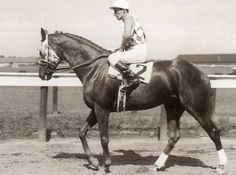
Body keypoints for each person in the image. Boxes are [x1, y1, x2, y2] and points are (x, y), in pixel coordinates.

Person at [108, 0, 148, 91]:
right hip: (137, 49)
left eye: (116, 11)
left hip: (137, 52)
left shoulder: (128, 17)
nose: (114, 14)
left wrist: (121, 49)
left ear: (124, 11)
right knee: (110, 50)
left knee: (112, 58)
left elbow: (127, 35)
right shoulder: (131, 18)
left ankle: (132, 78)